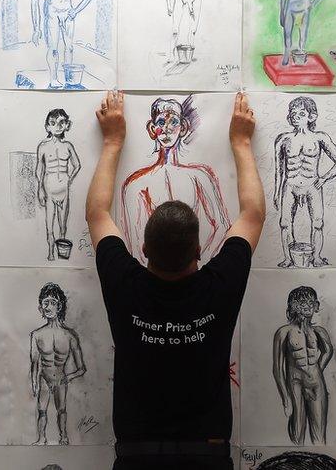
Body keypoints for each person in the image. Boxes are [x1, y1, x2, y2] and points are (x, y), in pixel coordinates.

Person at [86, 91, 266, 470]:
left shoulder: (125, 286)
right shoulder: (218, 288)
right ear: (200, 249)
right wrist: (241, 142)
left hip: (137, 457)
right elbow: (252, 215)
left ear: (144, 250)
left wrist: (113, 141)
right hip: (208, 456)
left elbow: (98, 214)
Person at [121, 96, 231, 265]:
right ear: (151, 129)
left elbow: (222, 226)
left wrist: (201, 264)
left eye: (173, 122)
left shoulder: (200, 176)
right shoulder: (136, 184)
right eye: (160, 123)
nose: (166, 129)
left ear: (183, 127)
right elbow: (135, 244)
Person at [273, 97, 336, 268]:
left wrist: (323, 179)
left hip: (312, 185)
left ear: (311, 116)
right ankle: (288, 258)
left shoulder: (320, 137)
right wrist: (277, 193)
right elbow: (279, 170)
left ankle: (317, 257)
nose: (296, 116)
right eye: (293, 113)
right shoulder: (283, 139)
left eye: (301, 113)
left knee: (318, 222)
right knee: (284, 222)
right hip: (289, 185)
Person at [272, 286, 332, 445]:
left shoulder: (319, 331)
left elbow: (328, 351)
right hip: (295, 384)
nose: (307, 306)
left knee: (319, 437)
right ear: (293, 306)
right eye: (301, 302)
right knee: (297, 434)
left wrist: (318, 368)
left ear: (316, 305)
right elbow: (277, 369)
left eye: (311, 302)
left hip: (316, 384)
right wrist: (285, 398)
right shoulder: (284, 332)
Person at [29, 282, 86, 444]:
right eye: (45, 302)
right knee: (42, 411)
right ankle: (41, 438)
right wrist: (34, 382)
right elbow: (34, 363)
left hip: (61, 379)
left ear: (59, 306)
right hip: (44, 379)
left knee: (62, 410)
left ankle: (64, 437)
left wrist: (68, 377)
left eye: (52, 302)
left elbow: (81, 368)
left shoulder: (70, 336)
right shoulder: (36, 335)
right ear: (40, 307)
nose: (48, 307)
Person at [36, 109, 81, 260]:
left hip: (64, 190)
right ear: (47, 126)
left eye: (62, 122)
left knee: (63, 226)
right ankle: (50, 253)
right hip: (49, 190)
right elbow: (39, 170)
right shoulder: (43, 146)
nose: (58, 126)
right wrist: (40, 189)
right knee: (49, 225)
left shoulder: (68, 146)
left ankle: (62, 255)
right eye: (53, 123)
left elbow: (77, 165)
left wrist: (70, 179)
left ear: (67, 125)